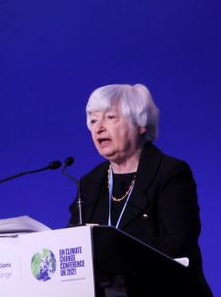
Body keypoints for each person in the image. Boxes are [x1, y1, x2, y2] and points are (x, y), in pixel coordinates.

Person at [69, 84, 212, 296]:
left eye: (110, 117)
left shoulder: (170, 173)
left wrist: (111, 250)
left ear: (140, 124)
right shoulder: (89, 183)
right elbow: (75, 244)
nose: (98, 128)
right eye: (92, 120)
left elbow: (178, 243)